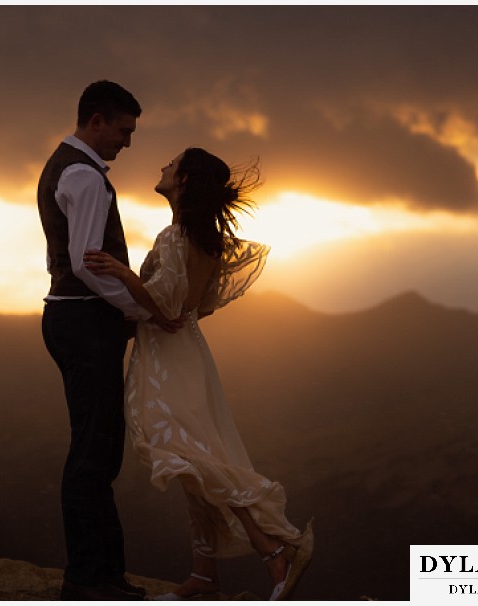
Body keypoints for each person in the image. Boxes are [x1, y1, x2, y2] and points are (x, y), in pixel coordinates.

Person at [84, 148, 315, 601]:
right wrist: (166, 313)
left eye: (171, 164)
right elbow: (196, 307)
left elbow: (168, 304)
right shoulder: (204, 239)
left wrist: (123, 274)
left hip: (171, 361)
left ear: (185, 180)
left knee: (193, 458)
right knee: (195, 462)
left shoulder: (175, 235)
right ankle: (205, 574)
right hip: (188, 352)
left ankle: (274, 552)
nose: (163, 166)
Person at [38, 80, 180, 601]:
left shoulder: (69, 166)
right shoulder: (83, 175)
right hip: (85, 321)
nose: (128, 142)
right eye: (124, 130)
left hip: (73, 318)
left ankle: (103, 573)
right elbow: (87, 263)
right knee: (94, 453)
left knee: (97, 447)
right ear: (97, 120)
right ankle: (88, 578)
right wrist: (138, 309)